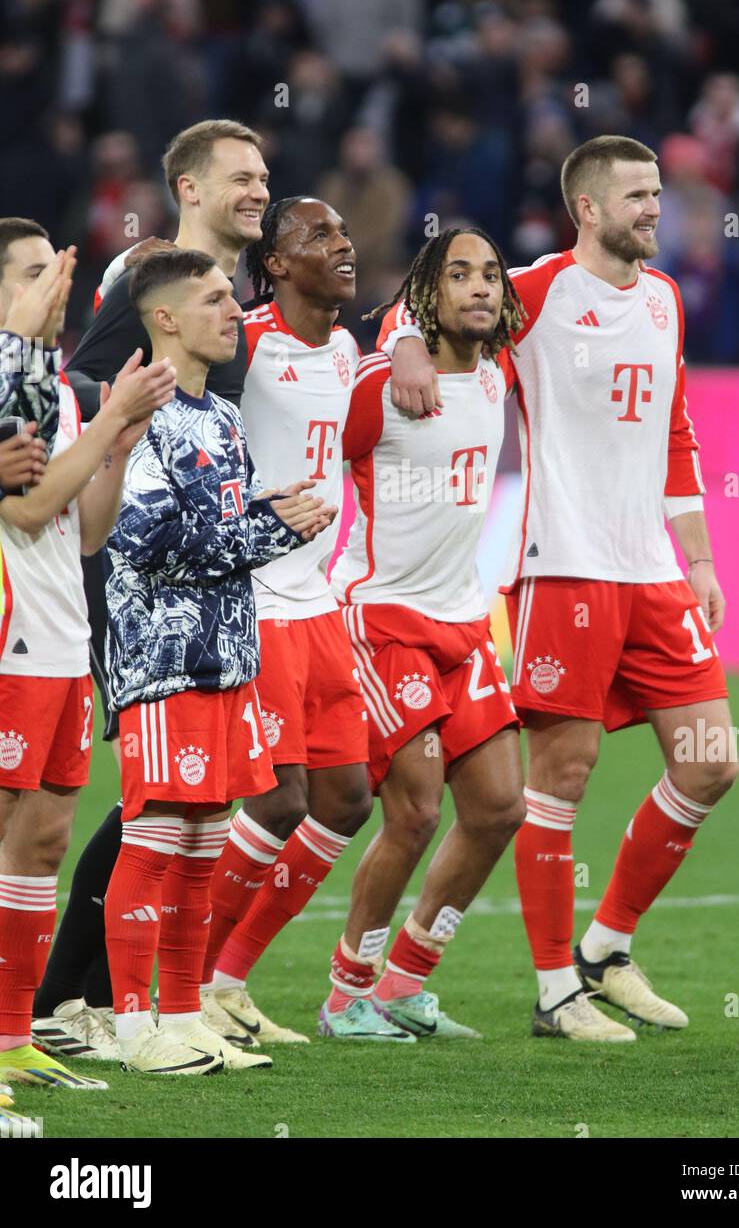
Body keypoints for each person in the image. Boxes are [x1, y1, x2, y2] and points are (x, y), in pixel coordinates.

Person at [383, 135, 736, 1042]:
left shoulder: (663, 300)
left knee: (711, 761)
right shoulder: (536, 290)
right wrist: (411, 349)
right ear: (588, 209)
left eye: (658, 194)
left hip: (653, 570)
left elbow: (676, 434)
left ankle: (605, 950)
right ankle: (553, 991)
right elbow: (427, 302)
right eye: (638, 196)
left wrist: (698, 561)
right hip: (565, 564)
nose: (656, 208)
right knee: (562, 780)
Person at [33, 118, 271, 1061]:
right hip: (136, 579)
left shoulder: (227, 297)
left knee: (186, 809)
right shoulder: (150, 280)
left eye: (264, 176)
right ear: (189, 187)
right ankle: (80, 1001)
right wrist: (123, 454)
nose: (259, 190)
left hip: (210, 595)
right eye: (240, 177)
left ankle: (130, 1003)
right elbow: (91, 381)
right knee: (154, 805)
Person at [103, 248, 336, 1076]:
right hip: (165, 660)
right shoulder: (141, 415)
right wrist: (278, 528)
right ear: (165, 318)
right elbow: (148, 542)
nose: (236, 311)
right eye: (214, 299)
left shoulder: (224, 418)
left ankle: (184, 1013)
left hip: (227, 658)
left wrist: (269, 511)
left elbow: (219, 533)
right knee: (157, 838)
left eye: (232, 298)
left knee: (203, 847)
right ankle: (133, 1033)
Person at [317, 228, 533, 1041]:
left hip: (465, 623)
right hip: (383, 623)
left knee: (501, 807)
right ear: (426, 290)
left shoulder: (499, 371)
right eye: (459, 275)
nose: (479, 288)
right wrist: (402, 338)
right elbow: (307, 454)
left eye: (490, 275)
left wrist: (409, 330)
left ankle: (407, 980)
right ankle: (345, 994)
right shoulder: (378, 386)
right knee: (413, 814)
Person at [0, 247, 176, 1092]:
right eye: (32, 273)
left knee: (41, 846)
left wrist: (117, 441)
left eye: (57, 270)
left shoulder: (60, 395)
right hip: (11, 642)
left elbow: (85, 531)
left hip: (67, 639)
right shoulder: (12, 392)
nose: (54, 287)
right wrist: (114, 423)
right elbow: (28, 506)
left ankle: (12, 1039)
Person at [199, 198, 372, 1044]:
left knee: (346, 799)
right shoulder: (245, 343)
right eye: (317, 237)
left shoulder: (347, 348)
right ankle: (186, 986)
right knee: (277, 801)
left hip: (322, 603)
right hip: (258, 601)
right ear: (273, 265)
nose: (341, 247)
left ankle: (230, 983)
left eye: (342, 233)